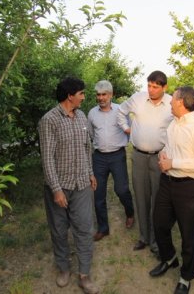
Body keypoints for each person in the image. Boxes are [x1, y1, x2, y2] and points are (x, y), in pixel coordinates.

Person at [149, 86, 194, 294]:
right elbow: (168, 148)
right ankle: (169, 259)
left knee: (188, 235)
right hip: (167, 183)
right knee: (159, 223)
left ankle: (186, 277)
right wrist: (163, 155)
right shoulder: (173, 124)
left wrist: (173, 163)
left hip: (189, 188)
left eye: (173, 99)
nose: (169, 102)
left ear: (181, 102)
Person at [38, 77, 99, 294]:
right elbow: (47, 158)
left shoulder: (81, 116)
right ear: (69, 96)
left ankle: (84, 275)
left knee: (84, 228)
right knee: (59, 230)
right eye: (81, 93)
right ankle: (64, 268)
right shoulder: (49, 120)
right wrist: (56, 189)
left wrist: (90, 173)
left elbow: (86, 148)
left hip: (82, 183)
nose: (84, 97)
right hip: (60, 186)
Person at [117, 70, 173, 255]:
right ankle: (143, 237)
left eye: (155, 87)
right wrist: (127, 128)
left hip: (159, 158)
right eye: (149, 85)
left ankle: (156, 240)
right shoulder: (138, 98)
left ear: (164, 87)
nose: (151, 90)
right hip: (139, 156)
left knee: (158, 200)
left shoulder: (172, 103)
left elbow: (178, 128)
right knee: (141, 197)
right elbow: (120, 111)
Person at [88, 80, 135, 242]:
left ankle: (130, 213)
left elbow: (130, 130)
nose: (101, 98)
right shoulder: (92, 113)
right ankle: (103, 228)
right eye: (98, 95)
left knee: (121, 189)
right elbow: (91, 134)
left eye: (104, 94)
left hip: (117, 156)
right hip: (99, 157)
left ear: (111, 95)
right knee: (98, 193)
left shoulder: (121, 111)